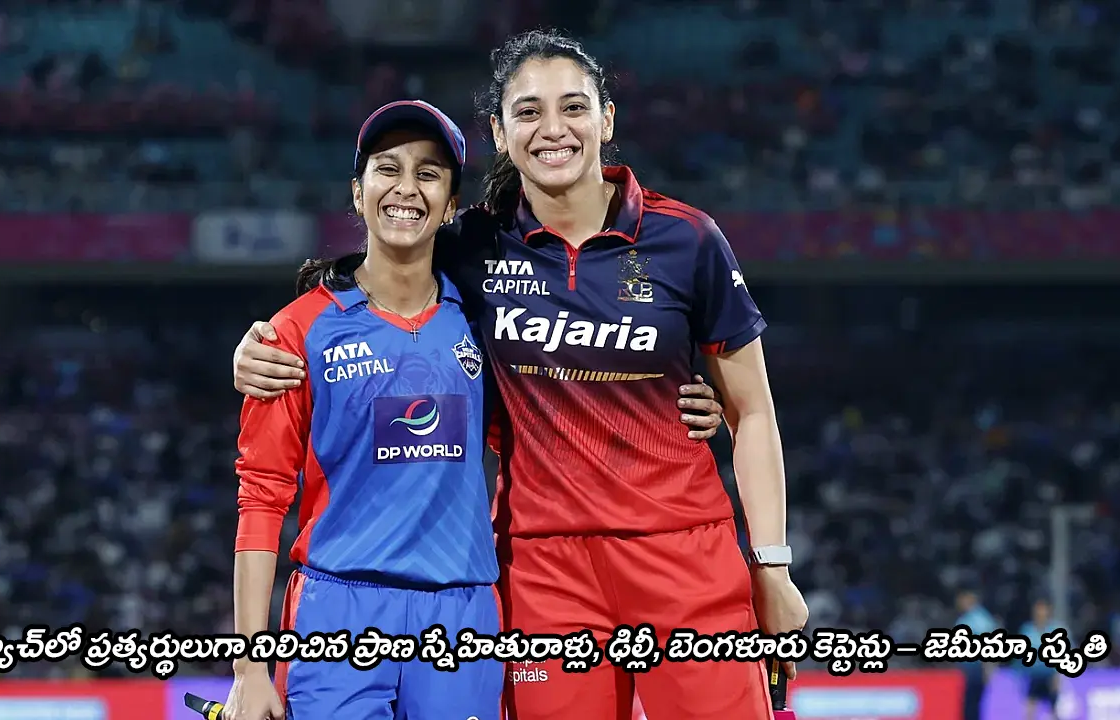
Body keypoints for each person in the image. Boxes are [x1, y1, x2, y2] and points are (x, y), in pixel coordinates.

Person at [232, 29, 807, 720]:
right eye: (528, 112)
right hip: (541, 569)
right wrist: (262, 342)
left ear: (607, 119)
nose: (553, 129)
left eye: (573, 107)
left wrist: (771, 564)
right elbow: (384, 264)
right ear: (502, 134)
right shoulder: (474, 243)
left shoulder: (687, 240)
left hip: (685, 556)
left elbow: (755, 413)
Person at [224, 100, 503, 720]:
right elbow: (262, 498)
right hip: (337, 615)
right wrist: (249, 668)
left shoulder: (485, 323)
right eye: (388, 169)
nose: (407, 187)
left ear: (452, 205)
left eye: (429, 173)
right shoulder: (296, 333)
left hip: (463, 618)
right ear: (358, 192)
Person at [955, 590, 999, 720]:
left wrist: (989, 669)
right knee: (968, 703)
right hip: (967, 669)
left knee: (972, 703)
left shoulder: (980, 619)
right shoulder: (967, 618)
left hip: (976, 668)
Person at [1020, 599, 1066, 720]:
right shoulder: (1027, 630)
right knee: (1030, 708)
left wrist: (1058, 676)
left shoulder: (1055, 630)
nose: (1040, 612)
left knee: (1054, 708)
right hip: (1033, 676)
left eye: (1043, 609)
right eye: (1037, 609)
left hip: (1050, 676)